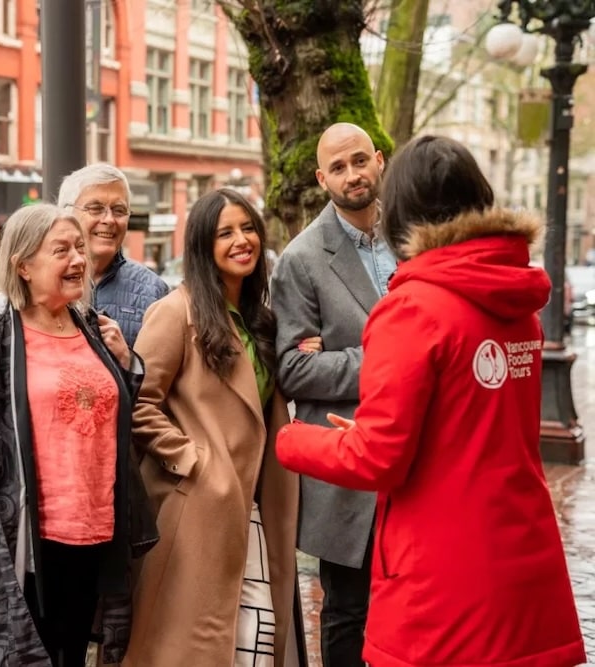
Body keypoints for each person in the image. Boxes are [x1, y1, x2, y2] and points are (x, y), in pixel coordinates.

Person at [276, 135, 586, 666]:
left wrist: (291, 440)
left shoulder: (413, 309)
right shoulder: (518, 303)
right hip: (521, 555)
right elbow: (471, 421)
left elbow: (378, 458)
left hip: (444, 571)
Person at [0, 203, 156, 667]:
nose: (78, 259)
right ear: (23, 265)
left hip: (96, 531)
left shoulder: (90, 326)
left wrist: (128, 368)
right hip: (25, 537)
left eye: (79, 247)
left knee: (73, 653)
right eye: (61, 250)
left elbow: (109, 417)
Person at [125, 188, 304, 666]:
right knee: (198, 646)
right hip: (200, 510)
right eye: (226, 232)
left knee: (257, 638)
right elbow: (139, 402)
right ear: (204, 245)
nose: (241, 240)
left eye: (248, 229)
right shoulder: (175, 312)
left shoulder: (261, 322)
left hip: (257, 506)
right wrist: (193, 461)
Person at [269, 121, 393, 666]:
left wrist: (339, 358)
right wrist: (394, 363)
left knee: (416, 601)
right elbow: (294, 369)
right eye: (338, 168)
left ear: (380, 160)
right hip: (350, 467)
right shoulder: (301, 259)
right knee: (348, 610)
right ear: (322, 178)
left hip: (420, 460)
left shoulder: (415, 238)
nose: (352, 175)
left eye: (359, 161)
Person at [57, 163, 169, 347]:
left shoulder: (153, 291)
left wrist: (128, 360)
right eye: (95, 208)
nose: (109, 220)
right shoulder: (43, 282)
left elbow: (162, 372)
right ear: (66, 213)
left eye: (119, 210)